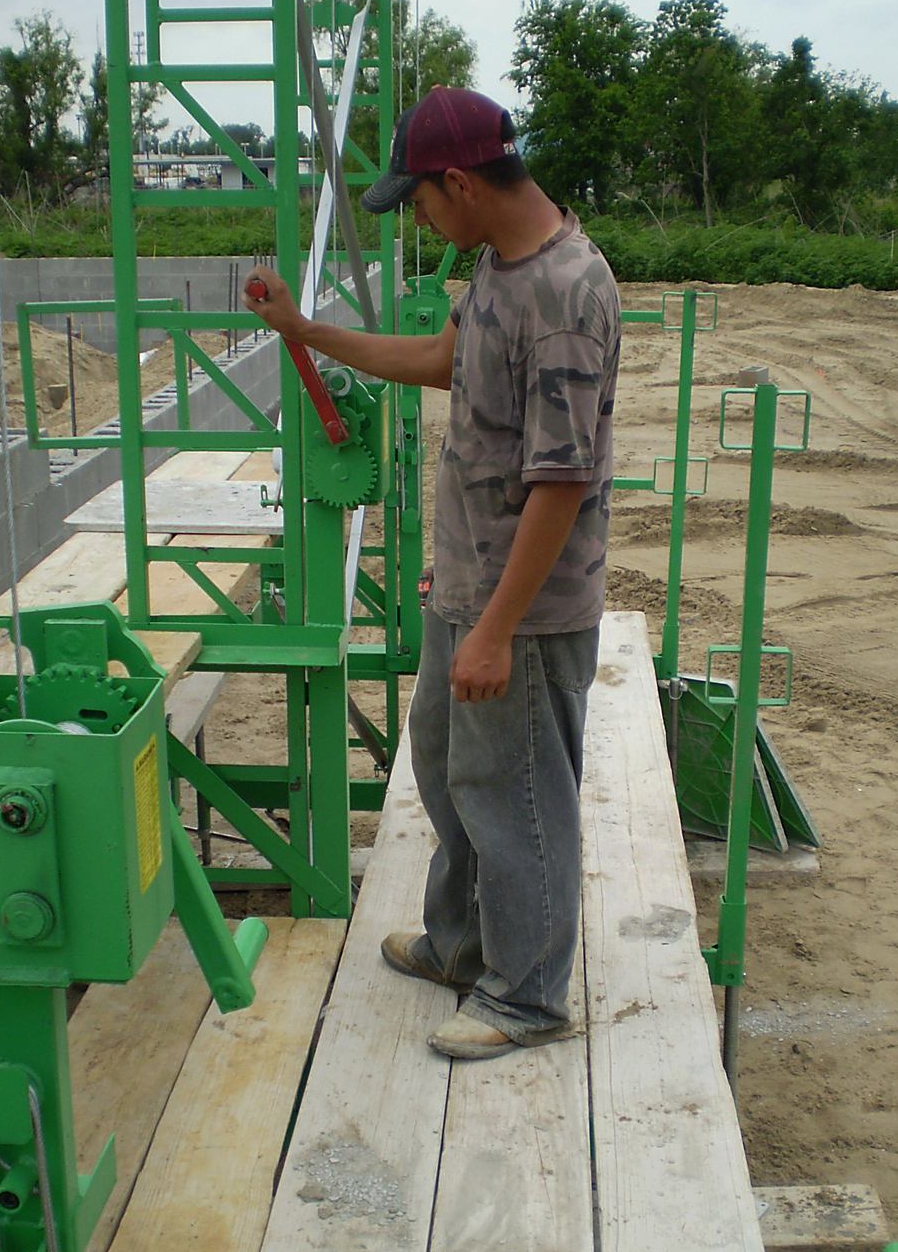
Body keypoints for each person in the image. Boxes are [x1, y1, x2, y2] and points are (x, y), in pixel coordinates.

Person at [243, 85, 620, 1061]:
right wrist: (306, 333)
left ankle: (530, 994)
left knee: (519, 791)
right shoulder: (496, 266)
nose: (418, 216)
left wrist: (496, 626)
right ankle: (463, 946)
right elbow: (438, 358)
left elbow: (561, 483)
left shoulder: (568, 294)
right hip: (471, 586)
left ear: (459, 181)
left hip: (523, 612)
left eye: (418, 200)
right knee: (448, 762)